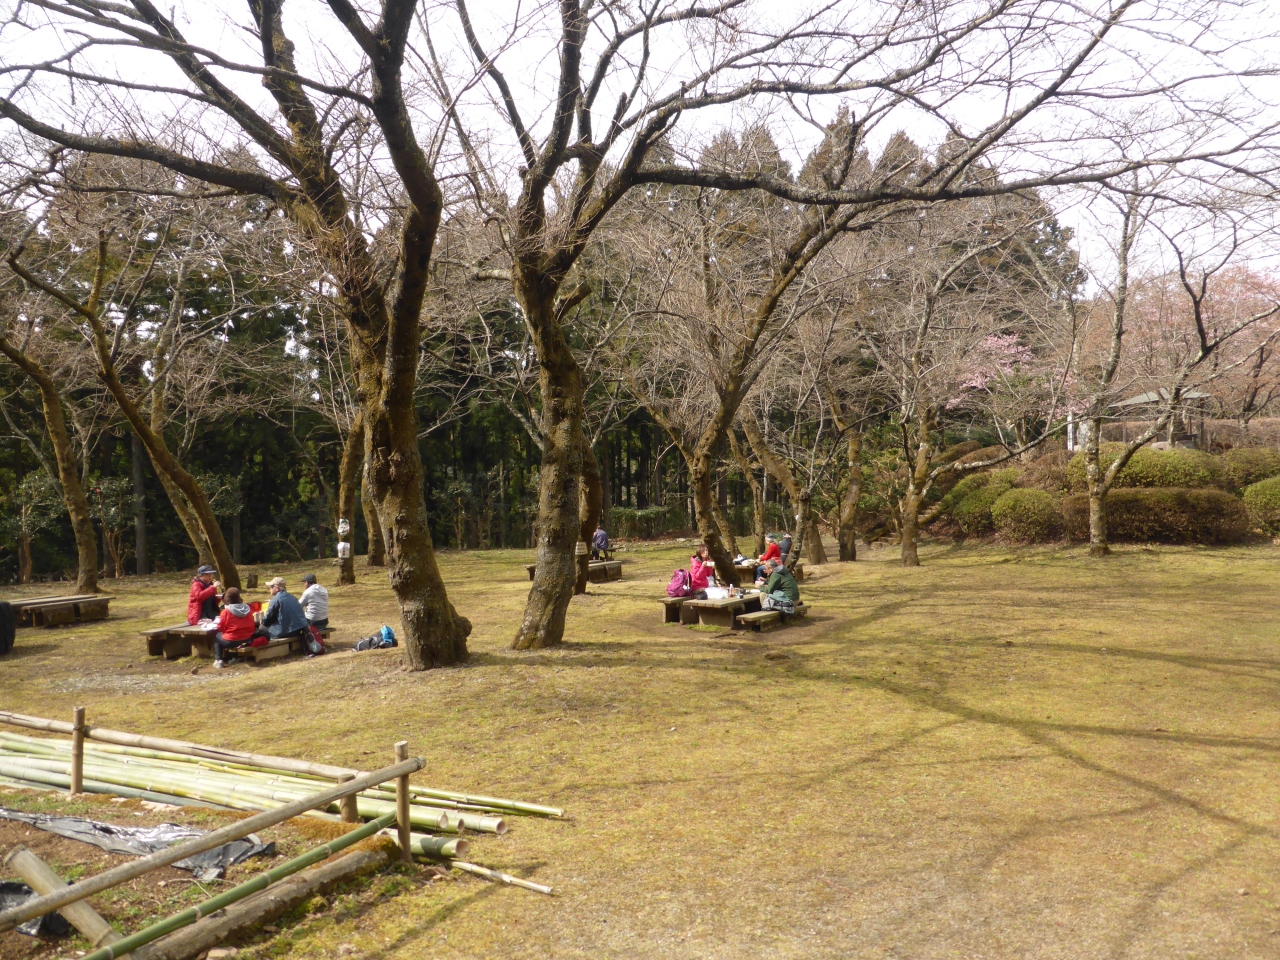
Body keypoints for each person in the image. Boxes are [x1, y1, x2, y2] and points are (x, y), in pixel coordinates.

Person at [213, 587, 256, 668]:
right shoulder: (248, 609)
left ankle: (218, 660)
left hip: (232, 640)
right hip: (248, 639)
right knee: (230, 638)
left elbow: (220, 628)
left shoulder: (226, 612)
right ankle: (235, 657)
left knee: (217, 636)